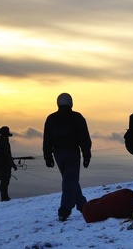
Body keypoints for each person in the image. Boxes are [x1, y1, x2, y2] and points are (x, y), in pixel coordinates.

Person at [43, 92, 92, 221]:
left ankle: (82, 205)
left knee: (70, 180)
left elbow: (46, 139)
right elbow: (84, 138)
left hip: (58, 154)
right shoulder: (77, 117)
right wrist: (87, 154)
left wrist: (47, 155)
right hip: (72, 153)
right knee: (69, 181)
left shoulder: (51, 118)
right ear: (71, 103)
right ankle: (64, 211)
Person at [0, 126, 18, 201]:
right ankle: (5, 197)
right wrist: (13, 165)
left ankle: (4, 196)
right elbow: (7, 156)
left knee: (3, 181)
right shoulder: (4, 143)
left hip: (0, 164)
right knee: (5, 181)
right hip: (4, 165)